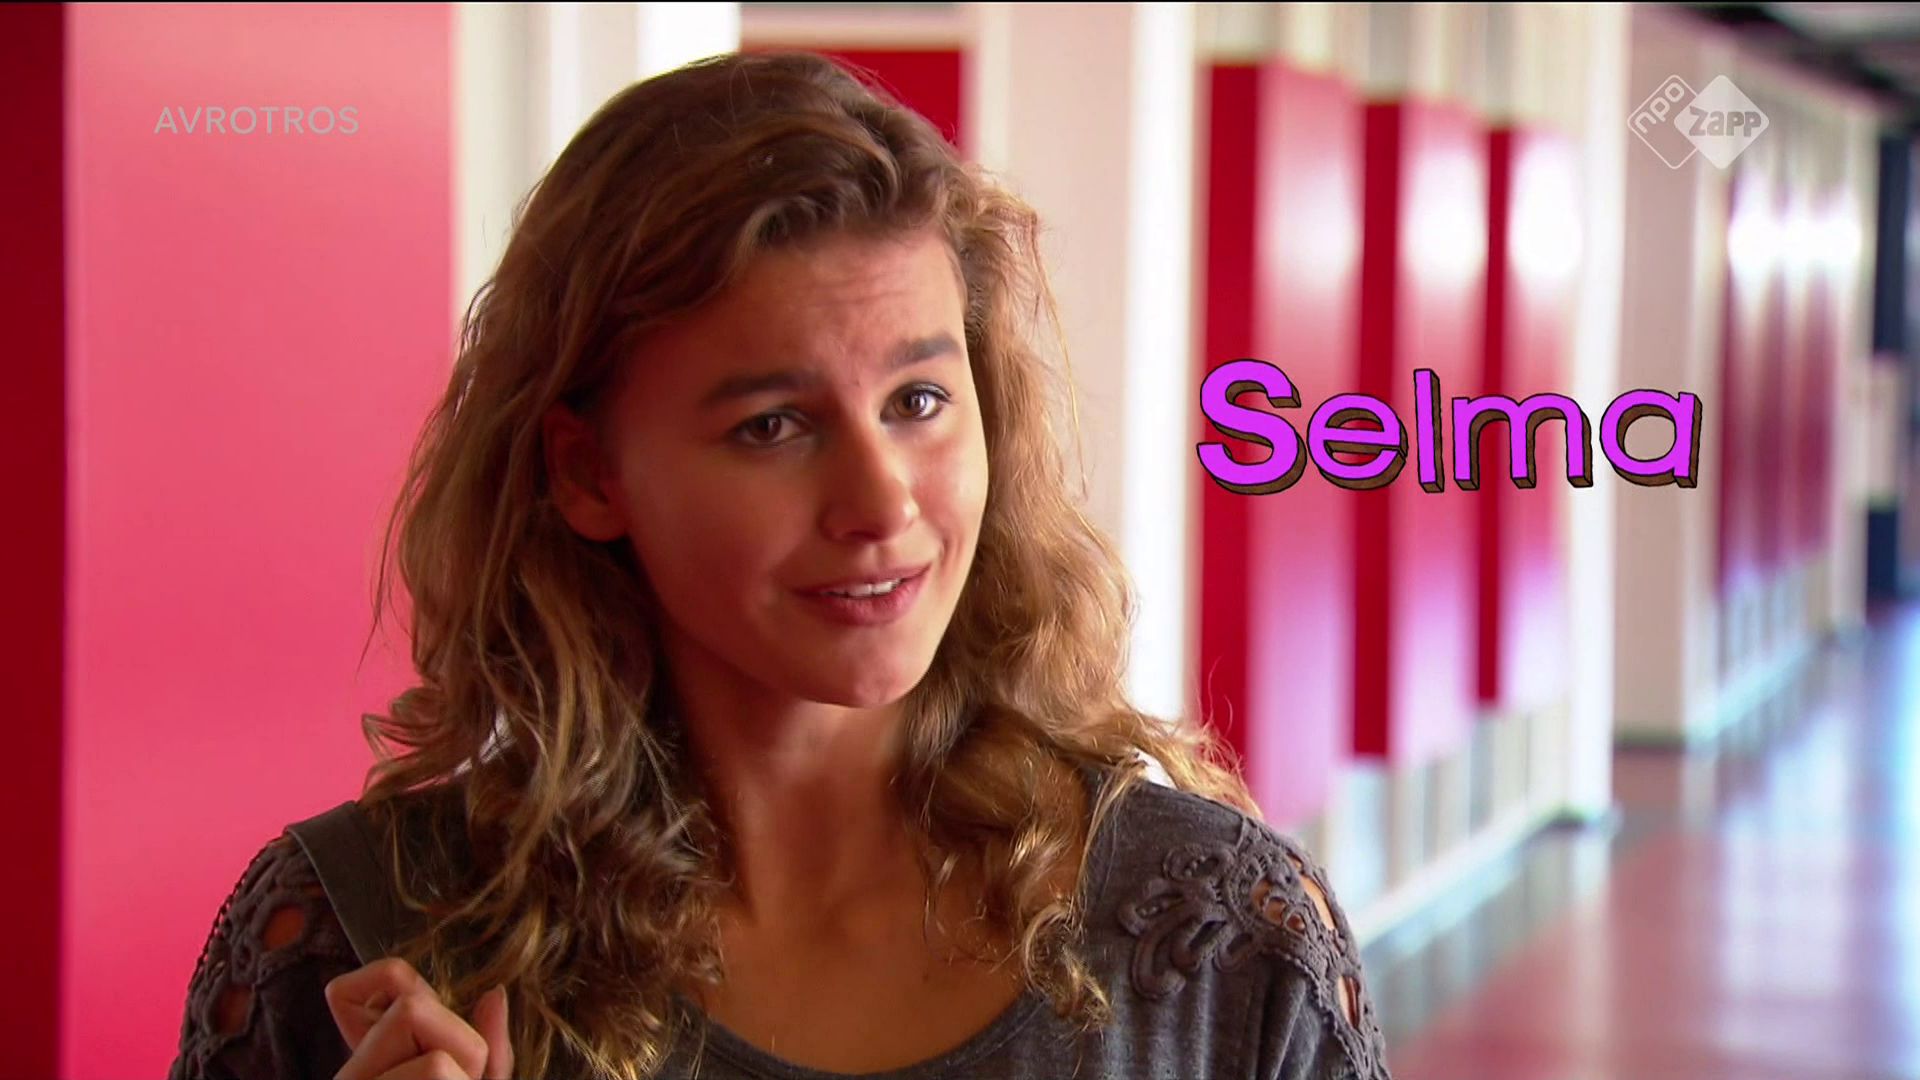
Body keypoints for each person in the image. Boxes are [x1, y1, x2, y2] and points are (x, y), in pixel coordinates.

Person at [167, 50, 1393, 1080]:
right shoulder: (358, 946)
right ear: (589, 473)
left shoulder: (1218, 946)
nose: (882, 502)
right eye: (772, 426)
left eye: (918, 400)